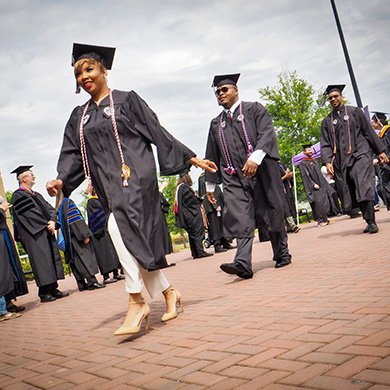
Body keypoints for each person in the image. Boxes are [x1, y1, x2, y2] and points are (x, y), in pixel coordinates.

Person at [46, 43, 217, 336]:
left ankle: (136, 300)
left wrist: (190, 157)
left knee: (116, 228)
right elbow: (74, 154)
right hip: (107, 186)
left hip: (135, 176)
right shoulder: (80, 116)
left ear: (104, 70)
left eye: (89, 69)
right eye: (78, 73)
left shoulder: (127, 100)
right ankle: (169, 293)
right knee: (129, 238)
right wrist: (61, 179)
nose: (83, 77)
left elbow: (157, 132)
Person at [205, 73, 292, 279]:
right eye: (217, 92)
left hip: (262, 170)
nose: (220, 94)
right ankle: (243, 262)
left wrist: (256, 157)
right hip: (234, 177)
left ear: (235, 90)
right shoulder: (217, 123)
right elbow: (212, 155)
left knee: (271, 211)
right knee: (239, 215)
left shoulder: (254, 109)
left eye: (224, 90)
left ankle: (281, 253)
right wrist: (210, 187)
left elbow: (267, 133)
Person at [320, 85, 389, 233]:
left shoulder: (355, 112)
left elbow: (368, 132)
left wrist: (380, 151)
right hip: (343, 161)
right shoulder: (327, 121)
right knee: (354, 189)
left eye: (336, 96)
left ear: (341, 97)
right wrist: (327, 161)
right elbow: (325, 144)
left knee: (364, 184)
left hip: (361, 154)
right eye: (330, 98)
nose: (333, 99)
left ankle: (371, 221)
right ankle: (368, 219)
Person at [11, 166, 69, 303]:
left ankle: (53, 288)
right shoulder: (18, 195)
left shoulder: (36, 195)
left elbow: (50, 209)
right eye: (31, 175)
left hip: (46, 230)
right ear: (23, 179)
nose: (34, 176)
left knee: (51, 259)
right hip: (34, 234)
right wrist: (46, 224)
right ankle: (44, 292)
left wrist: (53, 221)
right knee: (42, 261)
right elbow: (28, 215)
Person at [59, 197, 105, 291]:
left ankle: (81, 284)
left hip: (70, 238)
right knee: (85, 257)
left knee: (76, 260)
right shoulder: (68, 202)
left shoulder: (59, 205)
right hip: (77, 237)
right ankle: (92, 282)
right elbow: (76, 220)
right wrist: (84, 234)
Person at [87, 188, 123, 283]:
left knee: (113, 253)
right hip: (99, 233)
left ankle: (116, 273)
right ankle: (106, 277)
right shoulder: (92, 201)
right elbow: (98, 215)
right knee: (104, 255)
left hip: (107, 230)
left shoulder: (103, 200)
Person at [175, 173, 213, 259]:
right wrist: (200, 199)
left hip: (186, 215)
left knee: (192, 235)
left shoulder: (179, 188)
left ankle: (195, 253)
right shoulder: (184, 187)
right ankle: (200, 252)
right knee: (197, 233)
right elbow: (191, 201)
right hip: (191, 215)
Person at [0, 198, 28, 313]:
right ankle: (3, 309)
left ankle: (8, 303)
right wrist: (1, 210)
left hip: (3, 233)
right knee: (2, 271)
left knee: (9, 268)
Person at [300, 144, 336, 226]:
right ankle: (320, 220)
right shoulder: (303, 163)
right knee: (318, 203)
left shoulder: (315, 161)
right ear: (304, 152)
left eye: (310, 150)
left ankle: (326, 218)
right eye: (308, 150)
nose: (310, 151)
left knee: (325, 201)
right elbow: (305, 176)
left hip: (321, 184)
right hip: (314, 187)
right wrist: (313, 184)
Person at [198, 171, 235, 251]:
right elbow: (207, 194)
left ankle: (225, 242)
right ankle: (217, 245)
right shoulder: (203, 178)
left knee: (221, 225)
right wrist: (215, 205)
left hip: (218, 204)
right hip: (211, 206)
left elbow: (218, 191)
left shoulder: (211, 176)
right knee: (215, 227)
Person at [372, 112, 390, 210]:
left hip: (388, 165)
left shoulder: (389, 131)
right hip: (384, 167)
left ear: (378, 122)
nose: (372, 125)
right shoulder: (380, 135)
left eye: (373, 122)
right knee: (381, 189)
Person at [277, 161, 300, 233]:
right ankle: (293, 226)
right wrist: (285, 176)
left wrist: (290, 176)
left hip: (288, 189)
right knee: (285, 208)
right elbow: (275, 181)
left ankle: (289, 227)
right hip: (280, 191)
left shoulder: (282, 166)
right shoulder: (273, 168)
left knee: (290, 207)